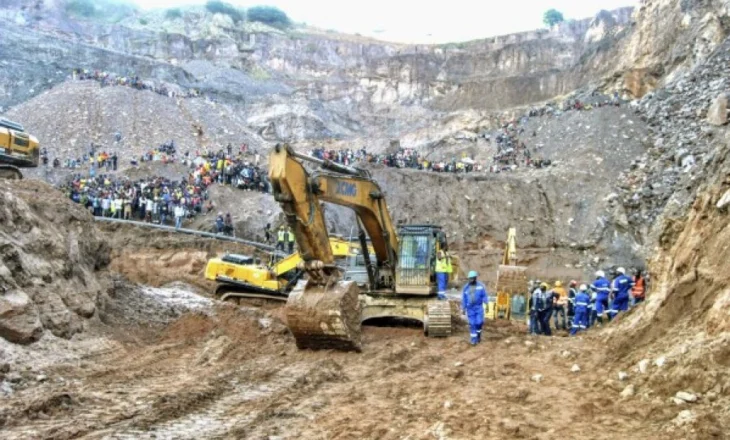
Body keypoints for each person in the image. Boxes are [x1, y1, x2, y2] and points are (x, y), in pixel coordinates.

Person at [461, 271, 487, 345]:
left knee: (479, 322)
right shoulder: (466, 288)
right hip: (470, 308)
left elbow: (484, 295)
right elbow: (464, 299)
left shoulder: (480, 286)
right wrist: (463, 308)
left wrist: (486, 304)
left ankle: (478, 334)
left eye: (473, 278)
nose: (471, 280)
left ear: (475, 278)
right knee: (472, 324)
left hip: (479, 307)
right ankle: (473, 340)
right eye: (470, 279)